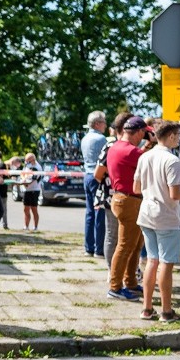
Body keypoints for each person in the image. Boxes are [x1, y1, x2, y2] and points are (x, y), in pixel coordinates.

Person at [133, 120, 180, 322]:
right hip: (166, 218)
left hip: (146, 214)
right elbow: (174, 194)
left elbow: (136, 188)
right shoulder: (172, 160)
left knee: (151, 262)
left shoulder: (145, 156)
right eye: (178, 136)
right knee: (166, 265)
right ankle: (167, 312)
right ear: (170, 136)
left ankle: (147, 308)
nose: (179, 139)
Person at [106, 115, 156, 301]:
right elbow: (149, 164)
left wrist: (146, 146)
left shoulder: (116, 147)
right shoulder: (132, 152)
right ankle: (115, 287)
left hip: (123, 198)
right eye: (145, 134)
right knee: (126, 245)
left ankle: (131, 283)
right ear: (140, 132)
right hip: (130, 201)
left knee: (134, 245)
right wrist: (154, 145)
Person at [93, 112, 133, 270]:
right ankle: (112, 271)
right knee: (113, 234)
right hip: (113, 196)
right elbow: (98, 173)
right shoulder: (111, 146)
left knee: (122, 236)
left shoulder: (128, 147)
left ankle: (122, 271)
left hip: (123, 196)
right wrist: (113, 184)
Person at [81, 110, 108, 257]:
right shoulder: (101, 139)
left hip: (87, 175)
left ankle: (88, 247)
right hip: (98, 177)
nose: (105, 125)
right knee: (100, 212)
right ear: (97, 124)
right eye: (104, 122)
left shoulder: (85, 138)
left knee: (90, 213)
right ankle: (99, 249)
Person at [21, 152, 43, 231]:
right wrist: (23, 179)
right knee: (25, 209)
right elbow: (23, 173)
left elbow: (30, 180)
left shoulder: (37, 167)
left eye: (28, 161)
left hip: (34, 190)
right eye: (26, 161)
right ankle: (26, 226)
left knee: (34, 209)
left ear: (33, 160)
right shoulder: (27, 165)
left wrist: (23, 182)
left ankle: (35, 227)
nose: (26, 163)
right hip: (26, 190)